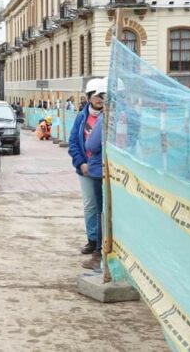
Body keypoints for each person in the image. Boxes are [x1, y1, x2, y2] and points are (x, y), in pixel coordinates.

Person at [68, 78, 105, 257]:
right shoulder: (82, 117)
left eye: (102, 96)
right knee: (90, 205)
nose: (99, 99)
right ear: (89, 97)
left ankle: (103, 242)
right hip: (86, 169)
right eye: (95, 96)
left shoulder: (109, 116)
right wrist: (81, 163)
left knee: (103, 207)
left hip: (104, 169)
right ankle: (93, 240)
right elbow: (74, 142)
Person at [81, 82, 107, 270]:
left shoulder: (104, 118)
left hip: (99, 170)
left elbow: (91, 145)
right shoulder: (129, 116)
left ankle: (98, 251)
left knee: (101, 211)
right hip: (114, 171)